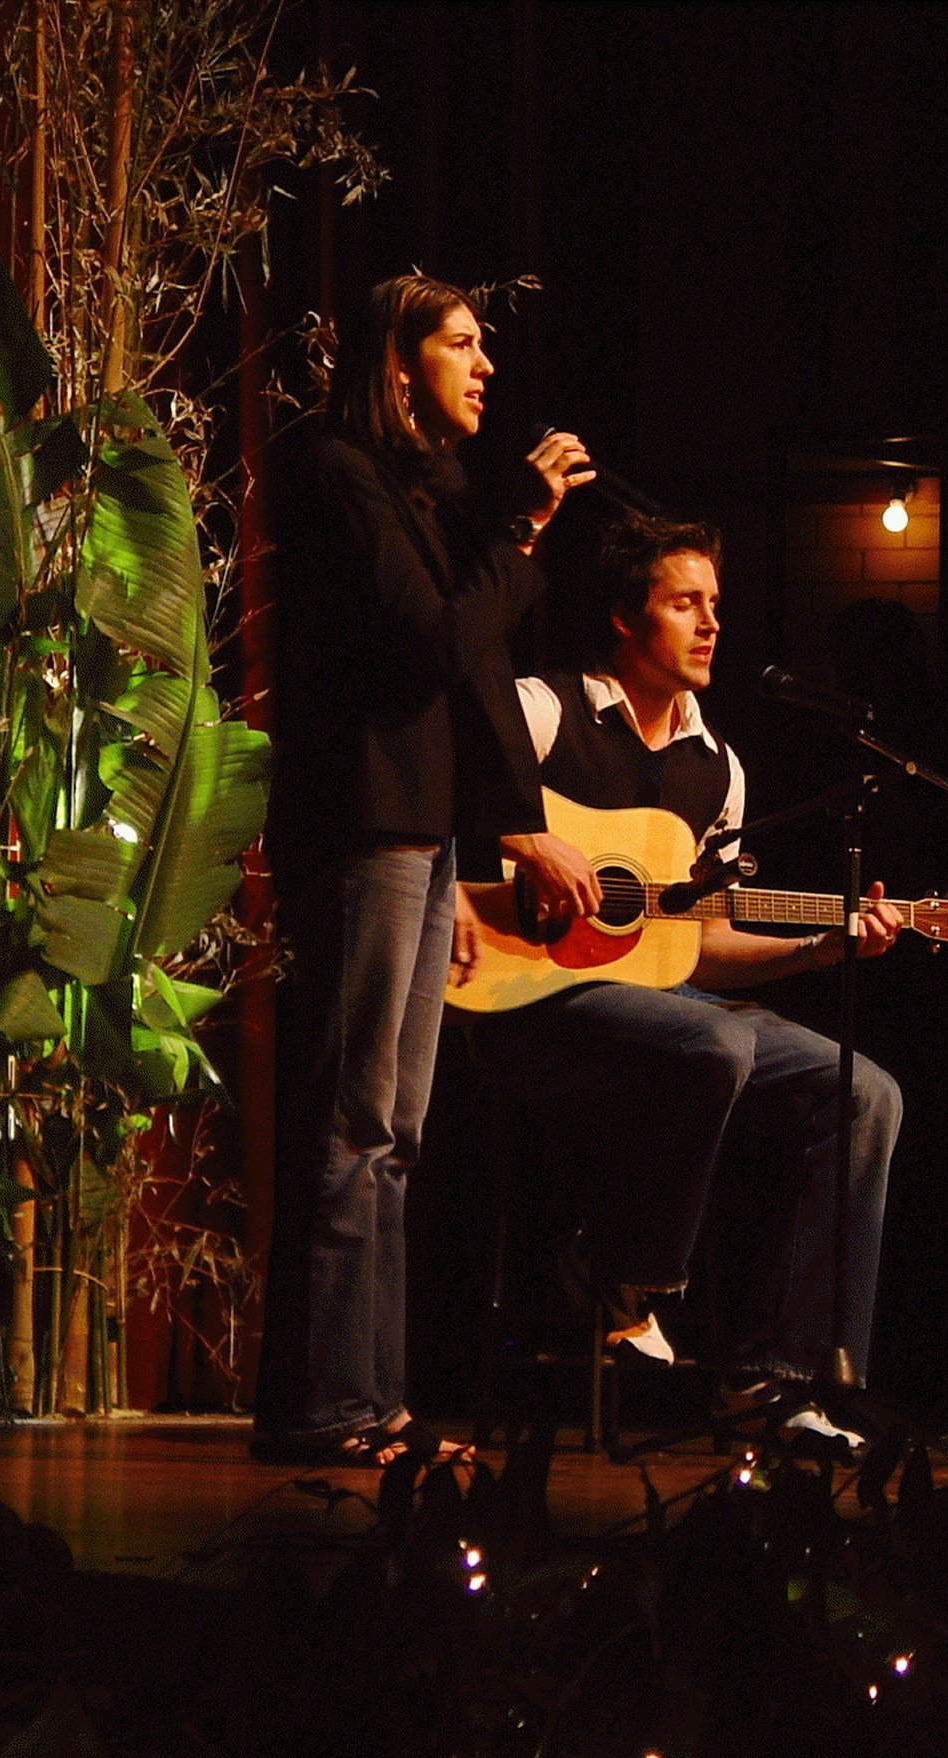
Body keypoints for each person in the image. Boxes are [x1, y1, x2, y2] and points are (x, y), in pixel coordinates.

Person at [256, 274, 603, 1466]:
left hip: (418, 832)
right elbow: (433, 645)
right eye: (460, 343)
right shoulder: (335, 469)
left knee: (396, 1130)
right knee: (353, 1122)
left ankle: (376, 1403)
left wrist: (496, 832)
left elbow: (471, 671)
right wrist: (517, 532)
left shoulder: (420, 488)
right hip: (360, 826)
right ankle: (321, 1406)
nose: (486, 365)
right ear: (397, 361)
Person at [464, 515, 903, 1447]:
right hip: (530, 1003)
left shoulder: (721, 769)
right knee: (716, 1039)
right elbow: (445, 763)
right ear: (628, 617)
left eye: (714, 605)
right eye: (683, 604)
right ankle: (620, 1275)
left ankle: (782, 1382)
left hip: (667, 1007)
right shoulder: (547, 710)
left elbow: (696, 945)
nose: (710, 625)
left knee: (865, 1090)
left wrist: (819, 948)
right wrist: (522, 838)